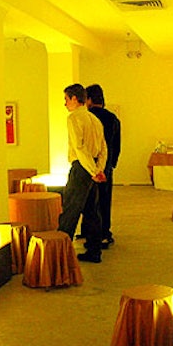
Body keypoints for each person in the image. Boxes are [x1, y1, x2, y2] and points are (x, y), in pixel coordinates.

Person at [58, 83, 107, 263]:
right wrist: (98, 169)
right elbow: (103, 147)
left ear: (73, 99)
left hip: (81, 168)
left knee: (70, 210)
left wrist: (93, 171)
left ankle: (61, 254)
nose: (65, 104)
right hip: (91, 167)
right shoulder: (94, 119)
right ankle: (94, 252)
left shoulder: (73, 118)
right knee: (92, 212)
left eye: (66, 99)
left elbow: (79, 148)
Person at [81, 84, 121, 249]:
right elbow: (117, 144)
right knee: (104, 201)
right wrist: (111, 164)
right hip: (106, 166)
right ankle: (105, 233)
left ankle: (90, 233)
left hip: (89, 165)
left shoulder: (87, 117)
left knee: (89, 201)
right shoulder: (112, 118)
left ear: (89, 99)